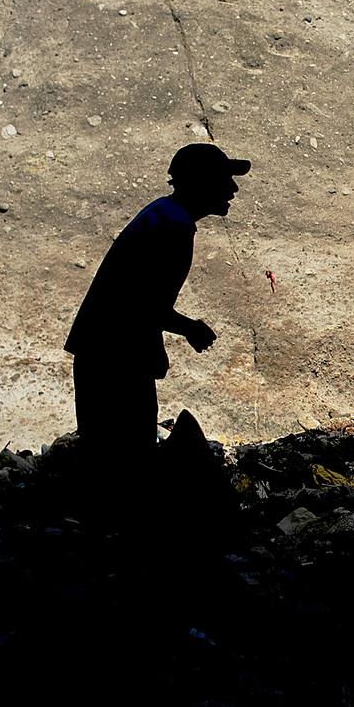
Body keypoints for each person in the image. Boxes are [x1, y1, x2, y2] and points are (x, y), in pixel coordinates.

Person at [65, 143, 249, 468]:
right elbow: (142, 304)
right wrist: (190, 328)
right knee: (125, 465)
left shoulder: (163, 214)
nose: (233, 188)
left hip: (104, 354)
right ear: (201, 183)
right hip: (114, 361)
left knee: (108, 463)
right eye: (224, 179)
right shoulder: (173, 227)